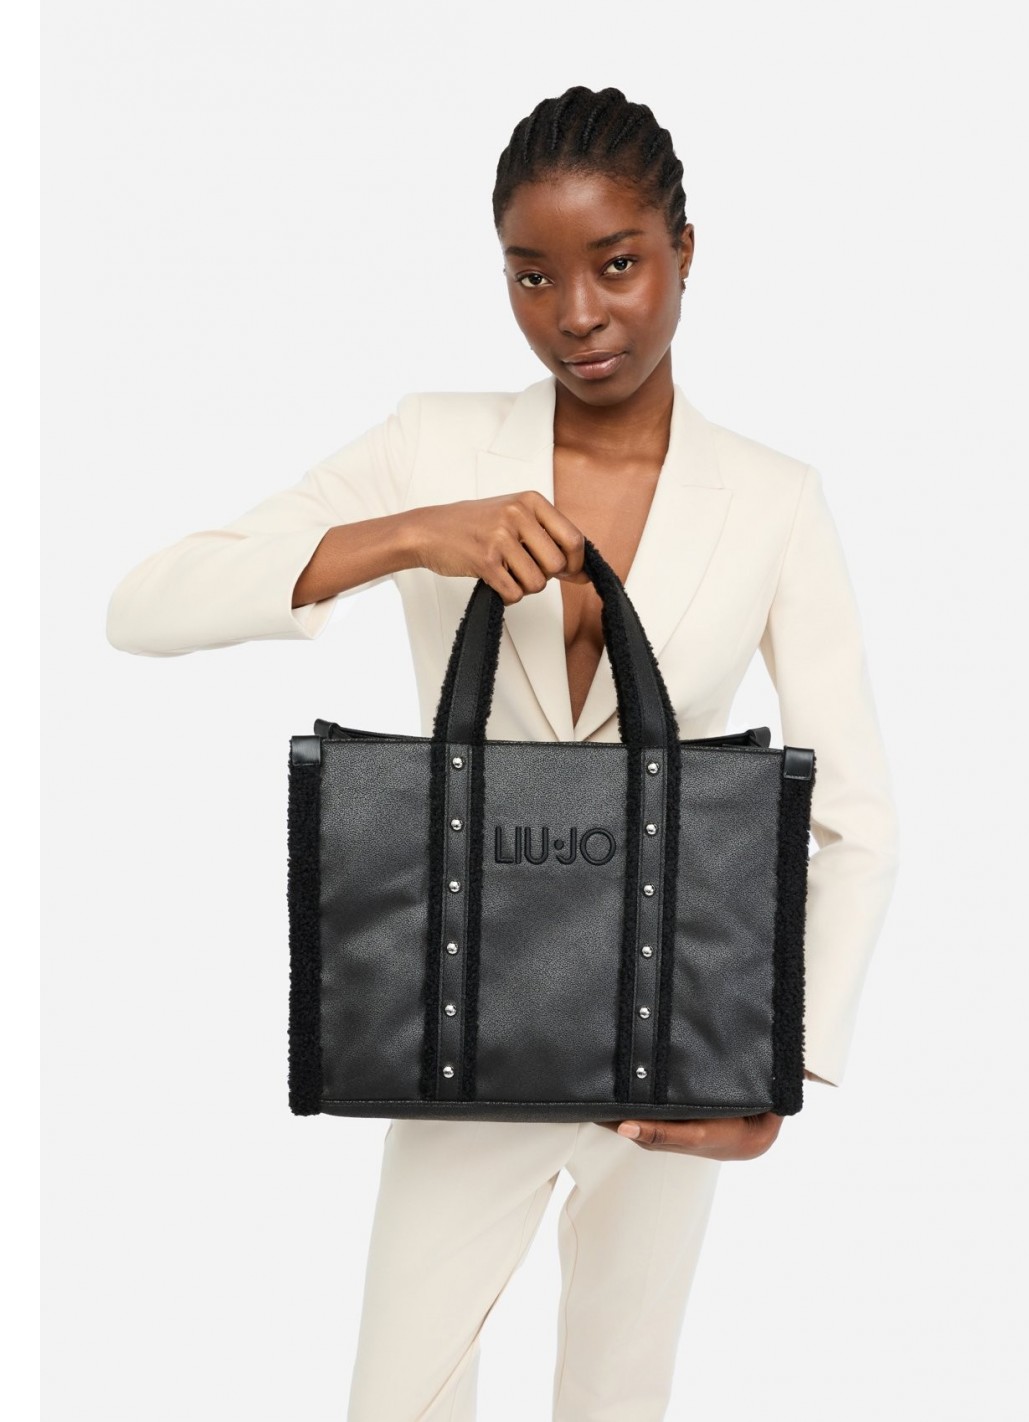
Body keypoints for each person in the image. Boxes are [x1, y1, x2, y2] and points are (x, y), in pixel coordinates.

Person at [106, 85, 899, 1422]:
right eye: (533, 276)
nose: (576, 314)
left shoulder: (773, 498)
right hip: (466, 1020)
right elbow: (145, 605)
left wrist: (783, 1073)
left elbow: (858, 813)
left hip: (666, 1034)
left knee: (618, 1398)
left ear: (685, 251)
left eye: (617, 265)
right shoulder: (435, 443)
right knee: (398, 1398)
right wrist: (418, 533)